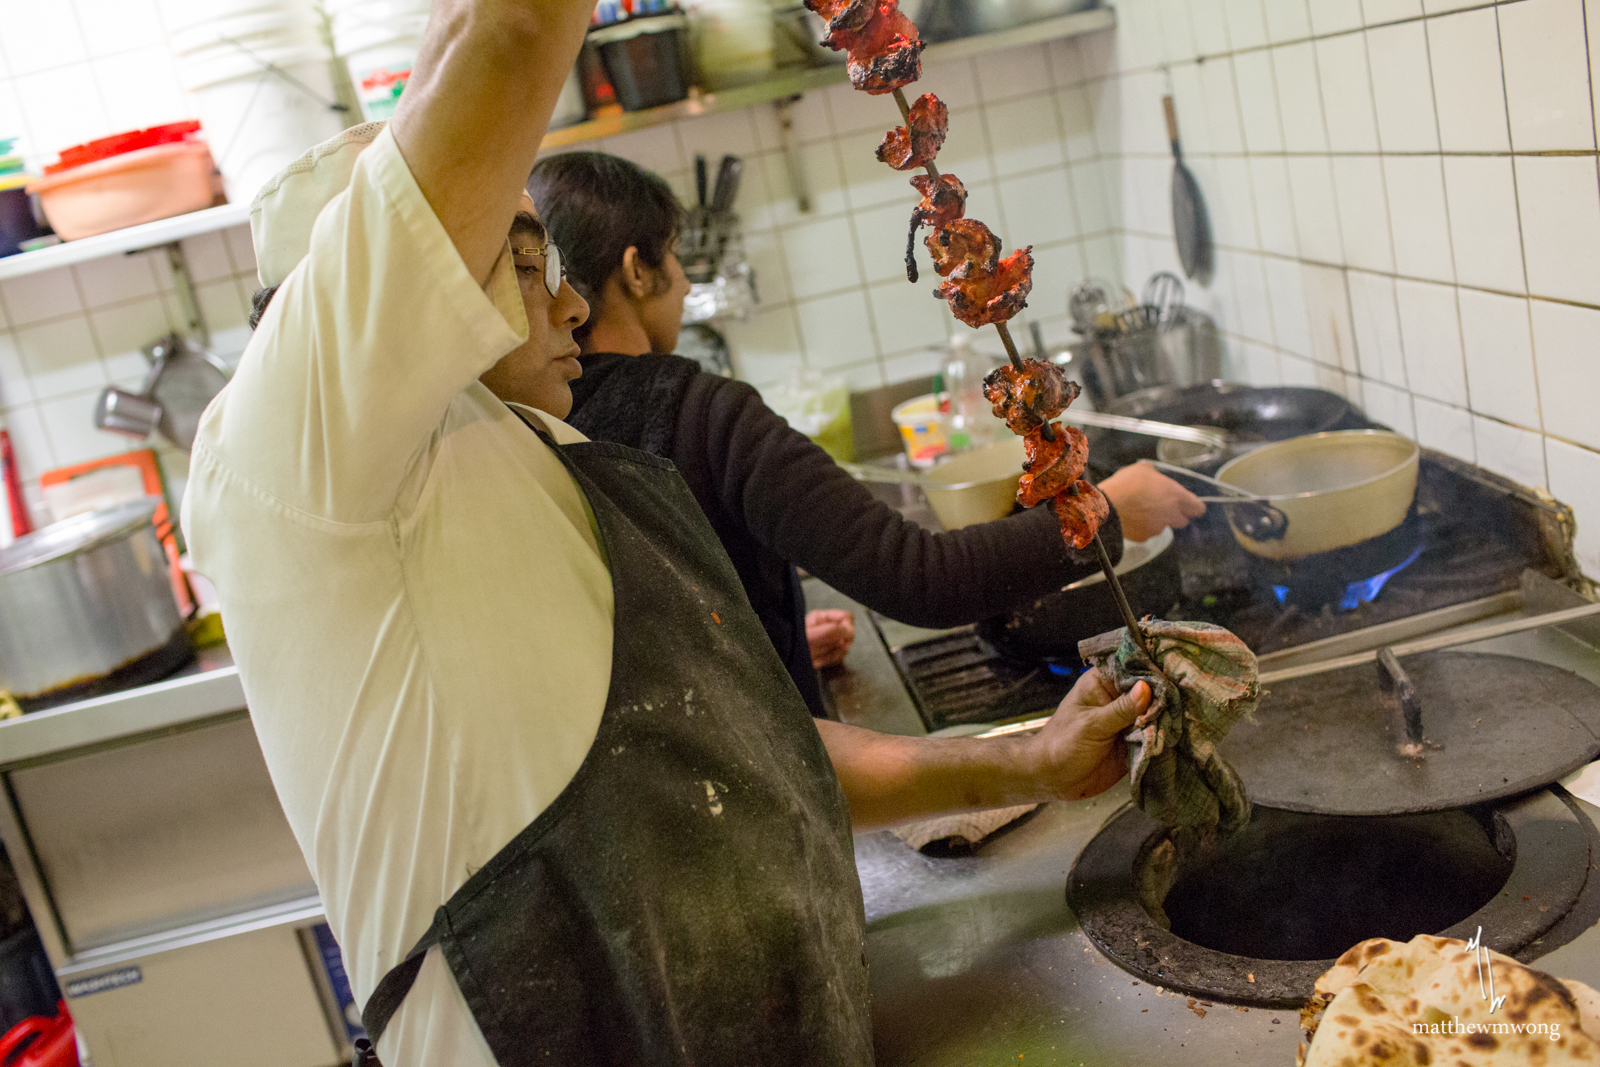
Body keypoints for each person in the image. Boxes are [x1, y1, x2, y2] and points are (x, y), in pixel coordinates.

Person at [189, 3, 1151, 1063]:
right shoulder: (300, 447)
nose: (564, 309)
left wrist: (1028, 760)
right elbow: (502, 35)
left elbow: (741, 755)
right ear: (374, 301)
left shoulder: (539, 460)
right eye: (521, 264)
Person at [530, 150, 1206, 715]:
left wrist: (775, 635)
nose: (682, 287)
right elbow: (919, 576)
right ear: (635, 269)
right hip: (770, 796)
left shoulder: (525, 426)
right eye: (675, 259)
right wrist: (1109, 510)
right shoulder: (703, 415)